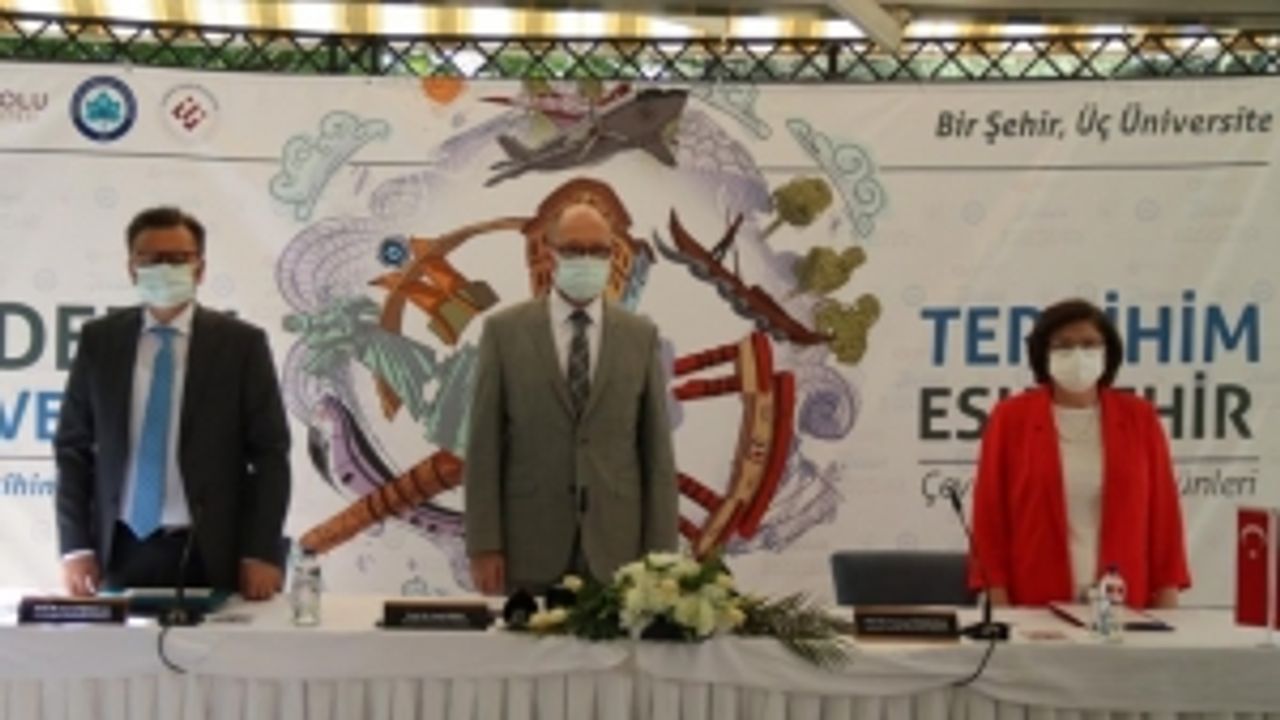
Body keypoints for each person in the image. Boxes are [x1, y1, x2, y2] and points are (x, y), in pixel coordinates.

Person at [55, 207, 291, 600]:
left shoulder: (241, 345)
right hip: (119, 549)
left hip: (212, 550)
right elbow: (72, 448)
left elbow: (270, 453)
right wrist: (75, 547)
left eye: (178, 259)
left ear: (200, 269)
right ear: (132, 269)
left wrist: (261, 551)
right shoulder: (100, 341)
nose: (164, 269)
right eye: (151, 259)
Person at [465, 202, 678, 594]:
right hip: (528, 547)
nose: (587, 260)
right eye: (574, 249)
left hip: (619, 551)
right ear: (550, 252)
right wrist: (483, 545)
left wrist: (662, 553)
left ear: (613, 255)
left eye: (598, 251)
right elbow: (483, 448)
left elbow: (656, 453)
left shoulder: (640, 336)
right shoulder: (504, 332)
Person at [969, 298, 1191, 608]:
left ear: (1107, 352)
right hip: (1033, 604)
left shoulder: (1140, 418)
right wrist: (999, 604)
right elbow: (989, 519)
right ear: (1043, 354)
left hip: (1123, 605)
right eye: (1063, 345)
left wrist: (1167, 602)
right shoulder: (1010, 419)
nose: (1077, 355)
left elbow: (1164, 518)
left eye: (1089, 344)